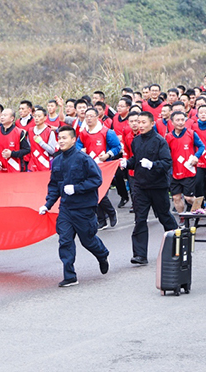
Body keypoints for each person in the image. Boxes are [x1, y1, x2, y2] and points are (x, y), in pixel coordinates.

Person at [38, 125, 110, 287]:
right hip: (66, 209)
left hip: (84, 208)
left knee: (88, 241)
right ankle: (69, 275)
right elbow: (54, 185)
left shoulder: (83, 159)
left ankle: (102, 254)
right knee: (65, 241)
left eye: (64, 138)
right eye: (59, 138)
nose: (61, 141)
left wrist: (76, 188)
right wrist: (47, 204)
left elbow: (96, 180)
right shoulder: (56, 161)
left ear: (73, 139)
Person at [128, 112, 177, 265]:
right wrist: (126, 163)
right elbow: (136, 160)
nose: (140, 125)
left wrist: (152, 165)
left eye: (143, 122)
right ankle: (140, 255)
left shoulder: (159, 141)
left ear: (152, 123)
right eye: (138, 122)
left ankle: (178, 244)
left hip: (158, 186)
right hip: (140, 186)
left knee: (164, 216)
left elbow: (167, 162)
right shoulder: (135, 141)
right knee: (140, 219)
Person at [77, 107, 121, 229]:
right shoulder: (83, 133)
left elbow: (117, 147)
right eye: (87, 116)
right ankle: (101, 220)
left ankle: (111, 212)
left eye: (91, 116)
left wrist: (108, 154)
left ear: (97, 117)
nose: (89, 118)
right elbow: (77, 146)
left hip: (104, 166)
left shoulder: (107, 132)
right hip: (89, 167)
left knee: (101, 193)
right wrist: (81, 150)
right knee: (93, 193)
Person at [165, 110, 205, 213]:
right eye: (177, 120)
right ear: (172, 122)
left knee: (188, 198)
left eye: (183, 120)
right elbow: (165, 152)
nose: (180, 122)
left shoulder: (191, 134)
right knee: (176, 198)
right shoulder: (168, 137)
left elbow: (201, 146)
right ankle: (182, 218)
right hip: (174, 171)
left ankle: (202, 207)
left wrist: (196, 156)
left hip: (188, 170)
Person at [0, 108, 30, 172]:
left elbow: (27, 149)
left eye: (5, 115)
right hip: (1, 169)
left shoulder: (19, 132)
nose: (2, 117)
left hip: (15, 169)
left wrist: (11, 154)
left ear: (12, 118)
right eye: (2, 115)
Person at [27, 106, 58, 172]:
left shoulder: (49, 132)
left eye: (39, 116)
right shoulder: (30, 131)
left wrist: (40, 142)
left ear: (45, 118)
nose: (36, 118)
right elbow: (29, 147)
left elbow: (52, 151)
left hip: (45, 164)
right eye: (35, 116)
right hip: (32, 165)